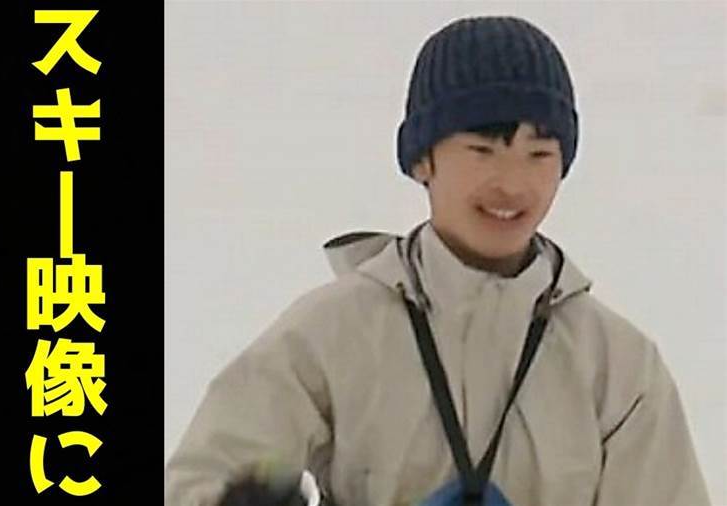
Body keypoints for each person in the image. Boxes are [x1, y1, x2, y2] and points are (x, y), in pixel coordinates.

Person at [165, 15, 711, 506]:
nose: (512, 183)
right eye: (482, 150)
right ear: (422, 159)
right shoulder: (338, 331)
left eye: (539, 154)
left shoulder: (616, 366)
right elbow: (206, 473)